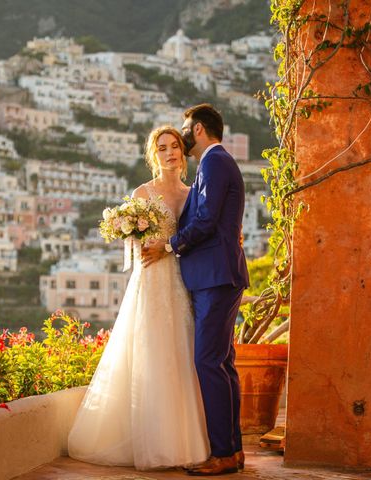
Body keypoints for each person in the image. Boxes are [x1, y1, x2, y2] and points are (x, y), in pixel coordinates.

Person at [67, 126, 210, 470]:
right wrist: (137, 239)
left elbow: (195, 236)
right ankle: (150, 442)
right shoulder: (143, 193)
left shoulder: (193, 194)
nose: (170, 153)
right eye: (162, 148)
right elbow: (132, 245)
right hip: (150, 283)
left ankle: (181, 440)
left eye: (175, 146)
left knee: (180, 355)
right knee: (151, 354)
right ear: (153, 155)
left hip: (180, 281)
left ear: (182, 151)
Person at [141, 104, 249, 476]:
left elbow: (205, 220)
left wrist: (169, 245)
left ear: (199, 129)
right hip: (216, 275)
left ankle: (222, 453)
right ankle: (232, 449)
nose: (183, 138)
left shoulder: (215, 162)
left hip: (216, 277)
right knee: (223, 362)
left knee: (207, 361)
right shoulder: (214, 164)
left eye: (186, 130)